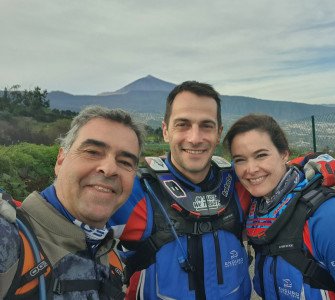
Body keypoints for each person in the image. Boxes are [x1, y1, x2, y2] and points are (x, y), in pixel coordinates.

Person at [110, 81, 253, 300]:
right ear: (166, 131)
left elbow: (280, 175)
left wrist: (315, 168)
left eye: (206, 125)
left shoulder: (239, 184)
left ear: (219, 133)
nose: (195, 138)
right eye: (182, 124)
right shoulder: (136, 190)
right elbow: (64, 217)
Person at [222, 114, 335, 299]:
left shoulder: (331, 217)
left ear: (284, 154)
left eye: (261, 155)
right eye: (240, 160)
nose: (251, 169)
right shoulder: (259, 212)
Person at [0, 105, 146, 299]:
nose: (109, 169)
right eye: (93, 152)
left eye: (126, 162)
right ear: (60, 160)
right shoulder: (10, 240)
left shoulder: (112, 259)